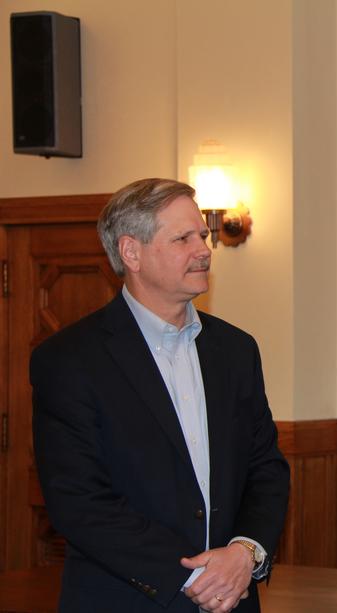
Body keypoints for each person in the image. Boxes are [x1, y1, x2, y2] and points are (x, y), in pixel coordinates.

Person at [31, 178, 290, 613]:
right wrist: (194, 577)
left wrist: (245, 552)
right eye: (183, 238)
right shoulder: (70, 359)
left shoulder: (236, 350)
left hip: (235, 596)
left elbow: (265, 468)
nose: (204, 250)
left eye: (203, 236)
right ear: (131, 252)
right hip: (125, 601)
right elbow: (78, 500)